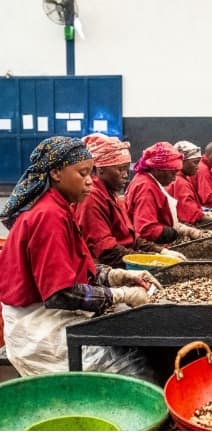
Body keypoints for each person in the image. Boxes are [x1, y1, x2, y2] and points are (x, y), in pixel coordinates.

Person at [0, 136, 160, 377]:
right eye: (82, 174)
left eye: (90, 174)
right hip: (42, 330)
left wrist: (115, 276)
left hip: (50, 316)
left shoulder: (60, 207)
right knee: (137, 370)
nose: (89, 182)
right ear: (55, 173)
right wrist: (121, 294)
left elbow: (76, 265)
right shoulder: (49, 216)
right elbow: (61, 293)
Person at [75, 134, 185, 268]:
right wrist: (148, 260)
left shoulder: (111, 194)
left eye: (127, 169)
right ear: (100, 169)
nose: (126, 175)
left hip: (121, 259)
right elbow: (105, 250)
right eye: (120, 169)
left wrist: (160, 251)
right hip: (104, 269)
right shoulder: (91, 197)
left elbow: (130, 237)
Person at [125, 141, 202, 244]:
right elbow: (147, 230)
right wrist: (175, 233)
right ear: (159, 170)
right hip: (149, 248)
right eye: (172, 173)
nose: (174, 178)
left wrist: (183, 228)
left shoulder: (149, 181)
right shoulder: (146, 187)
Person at [166, 140, 212, 226]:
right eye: (195, 162)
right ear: (181, 161)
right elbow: (191, 214)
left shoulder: (181, 178)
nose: (198, 167)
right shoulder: (180, 182)